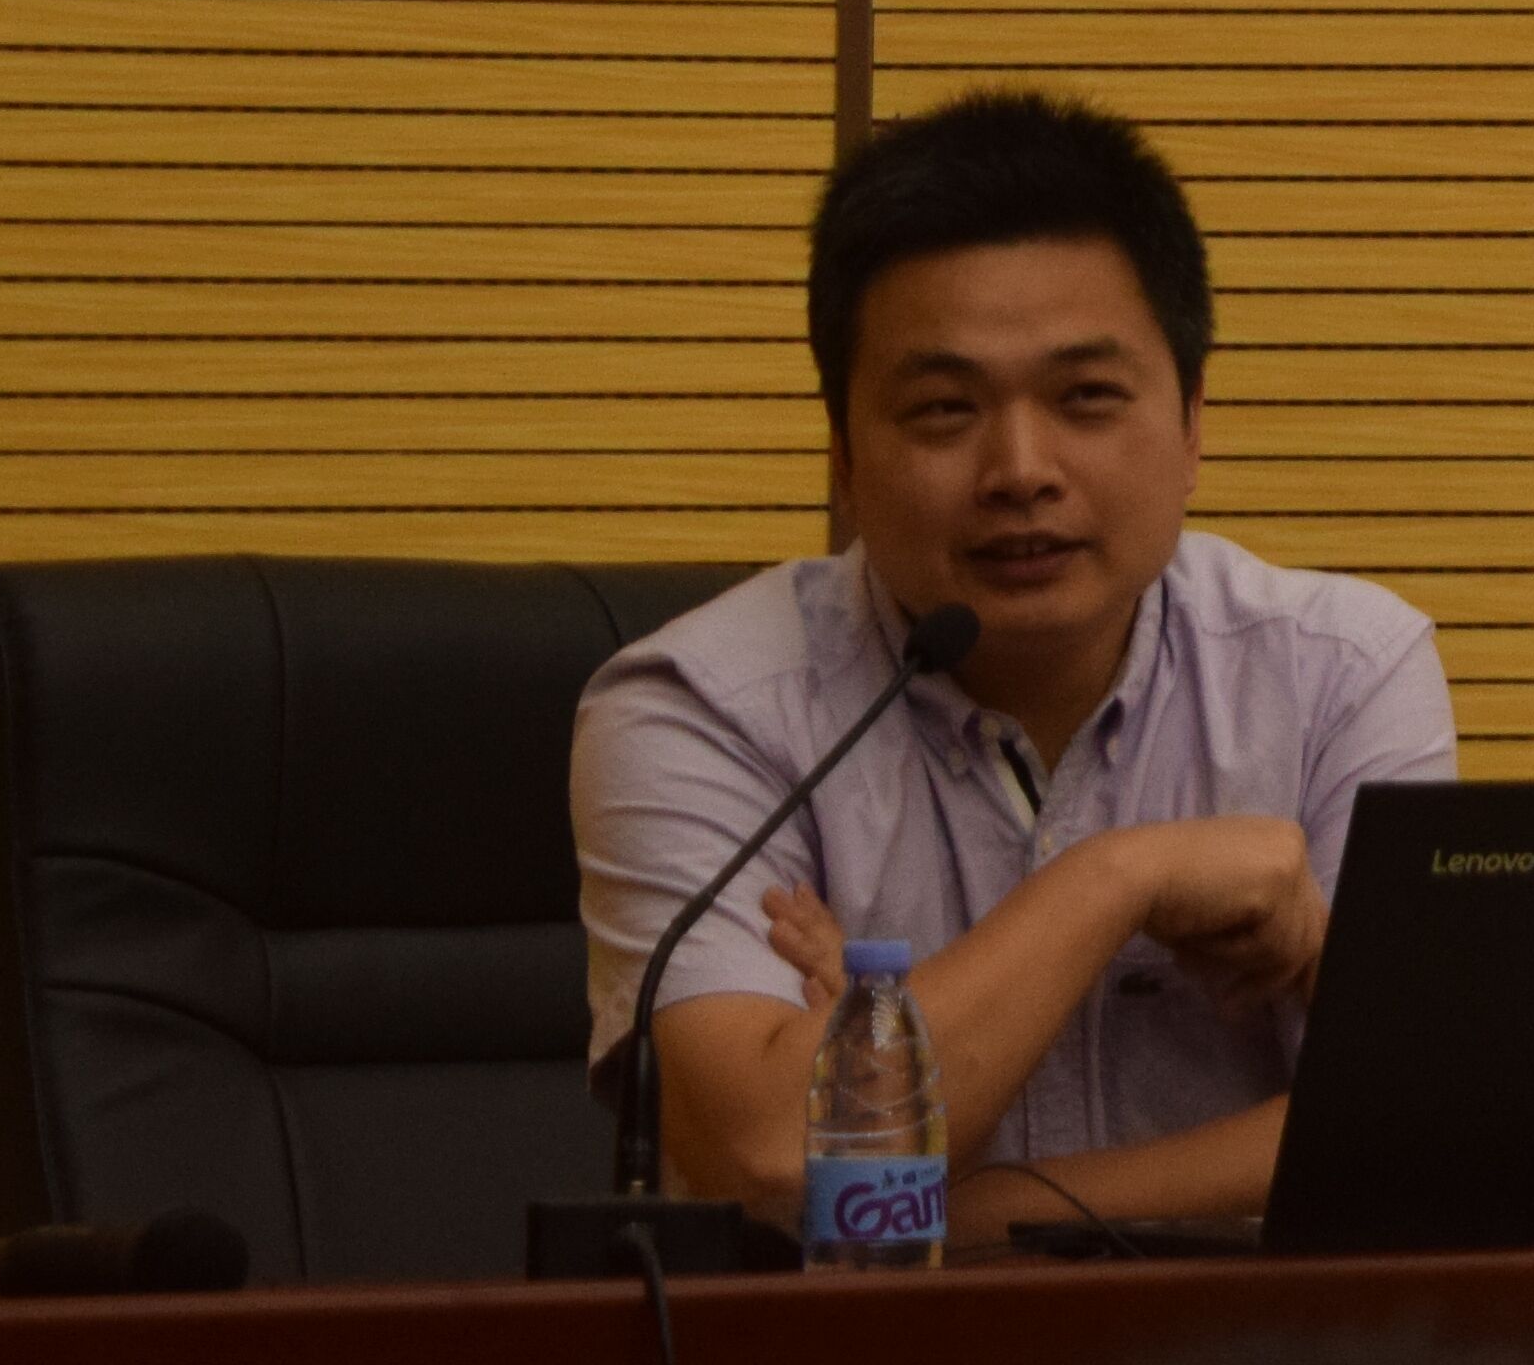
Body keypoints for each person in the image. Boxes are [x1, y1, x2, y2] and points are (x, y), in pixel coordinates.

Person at [573, 89, 1454, 1238]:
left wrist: (957, 1198)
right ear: (843, 455)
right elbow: (775, 1159)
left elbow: (1430, 1127)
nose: (1022, 470)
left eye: (1087, 397)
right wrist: (1119, 876)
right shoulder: (700, 708)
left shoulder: (1343, 669)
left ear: (1193, 422)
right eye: (945, 409)